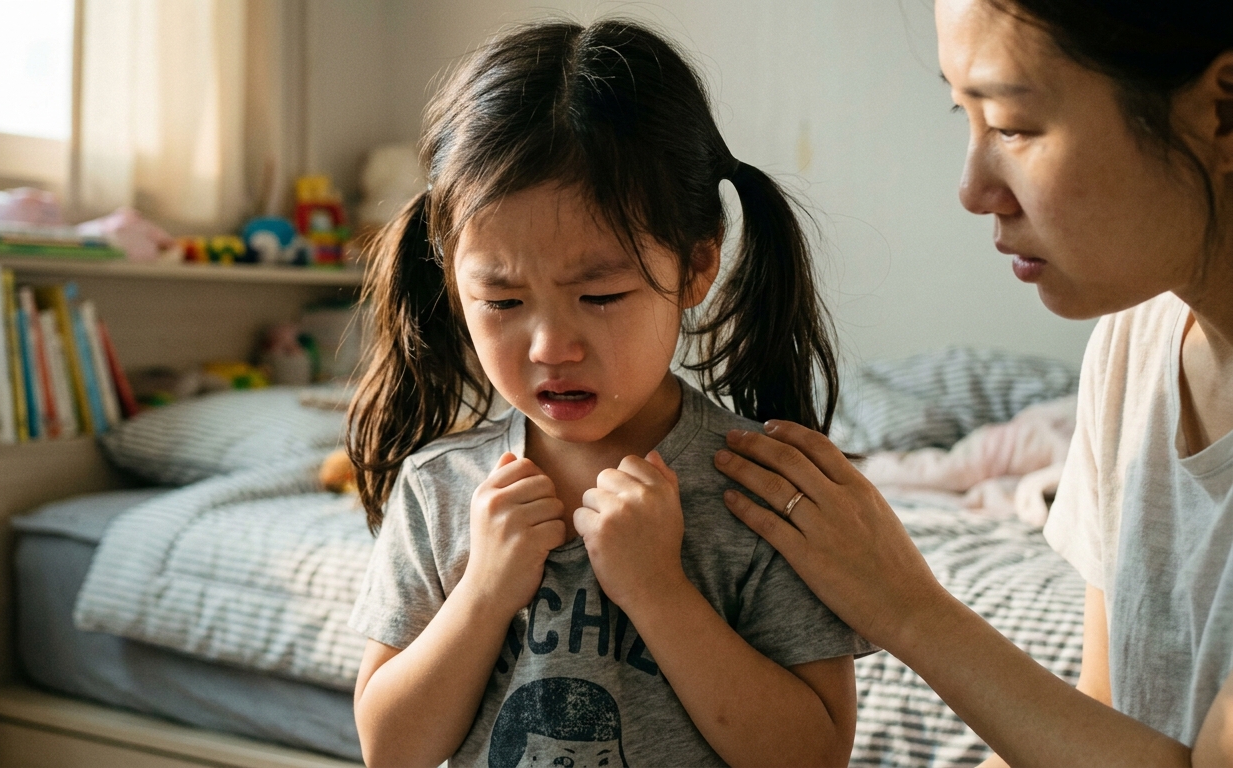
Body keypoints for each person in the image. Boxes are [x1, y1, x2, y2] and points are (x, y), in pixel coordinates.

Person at [714, 0, 1233, 765]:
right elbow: (1105, 713)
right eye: (965, 114)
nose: (971, 186)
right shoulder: (1136, 345)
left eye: (1014, 126)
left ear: (1221, 112)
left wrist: (909, 608)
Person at [344, 19, 872, 768]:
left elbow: (812, 757)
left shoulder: (758, 493)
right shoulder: (438, 490)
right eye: (501, 302)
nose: (551, 348)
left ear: (696, 268)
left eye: (600, 295)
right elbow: (390, 750)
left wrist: (658, 590)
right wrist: (484, 593)